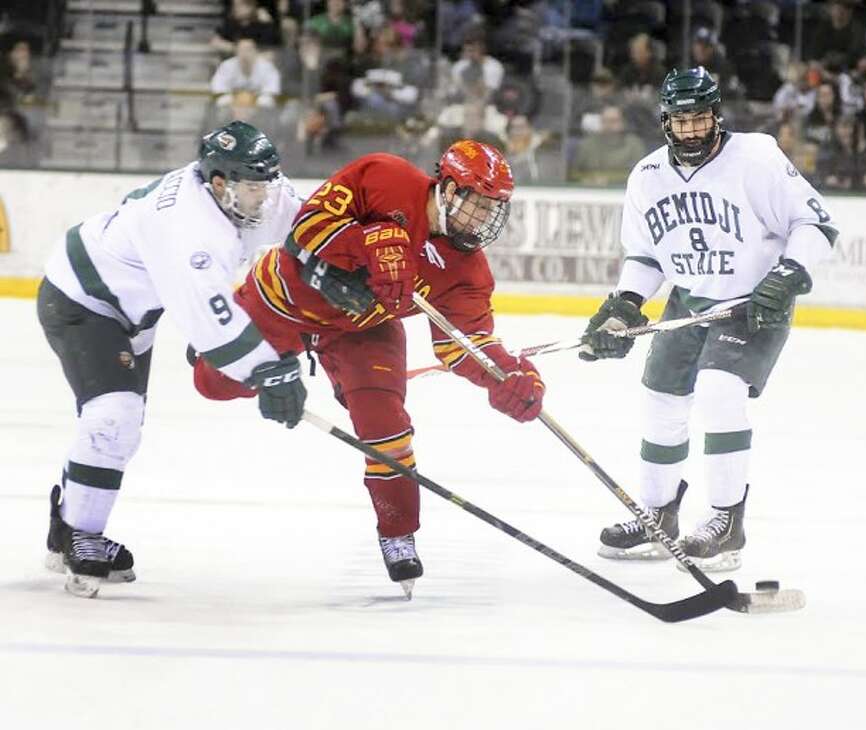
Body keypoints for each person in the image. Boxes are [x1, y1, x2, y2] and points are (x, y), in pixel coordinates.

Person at [190, 140, 545, 596]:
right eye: (478, 204)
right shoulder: (385, 176)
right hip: (284, 305)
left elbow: (465, 344)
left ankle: (398, 531)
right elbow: (305, 230)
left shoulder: (467, 272)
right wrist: (371, 241)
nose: (485, 219)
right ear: (450, 188)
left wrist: (508, 375)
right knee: (212, 384)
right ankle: (210, 344)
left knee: (388, 429)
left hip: (364, 330)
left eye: (494, 209)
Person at [580, 68, 838, 572]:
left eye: (701, 118)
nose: (693, 129)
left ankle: (726, 522)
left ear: (717, 116)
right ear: (666, 122)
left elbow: (816, 223)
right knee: (660, 400)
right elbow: (646, 256)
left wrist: (786, 277)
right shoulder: (648, 176)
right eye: (682, 120)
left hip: (751, 304)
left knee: (720, 392)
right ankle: (659, 516)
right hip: (687, 303)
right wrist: (625, 305)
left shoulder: (757, 157)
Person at [37, 121, 307, 598]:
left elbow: (305, 221)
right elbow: (209, 322)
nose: (262, 198)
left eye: (265, 185)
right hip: (82, 301)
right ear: (220, 184)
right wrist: (268, 370)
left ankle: (68, 529)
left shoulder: (245, 188)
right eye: (252, 188)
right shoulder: (189, 227)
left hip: (135, 307)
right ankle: (79, 534)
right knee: (113, 416)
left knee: (120, 426)